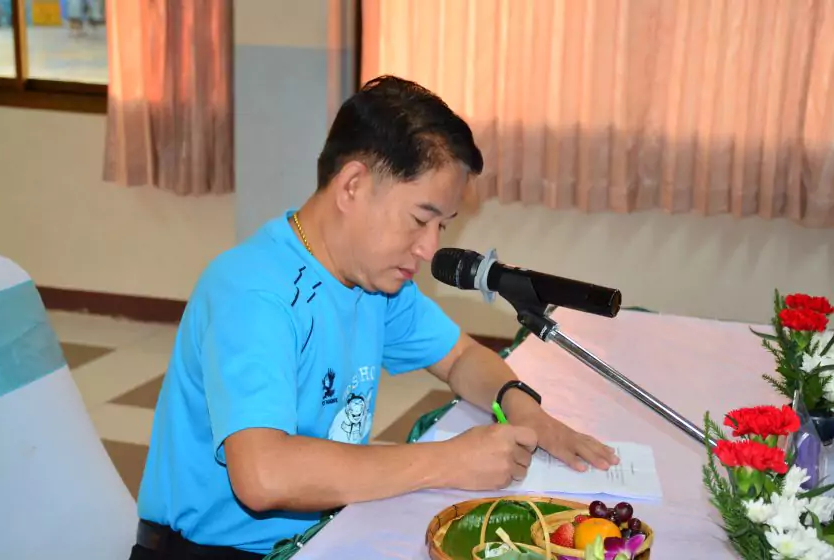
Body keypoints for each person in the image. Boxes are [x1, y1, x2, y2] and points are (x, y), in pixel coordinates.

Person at [129, 75, 619, 560]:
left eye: (442, 226)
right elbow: (263, 476)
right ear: (353, 186)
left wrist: (522, 407)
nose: (429, 248)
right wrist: (450, 460)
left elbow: (460, 358)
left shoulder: (374, 281)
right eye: (420, 219)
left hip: (321, 533)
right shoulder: (255, 293)